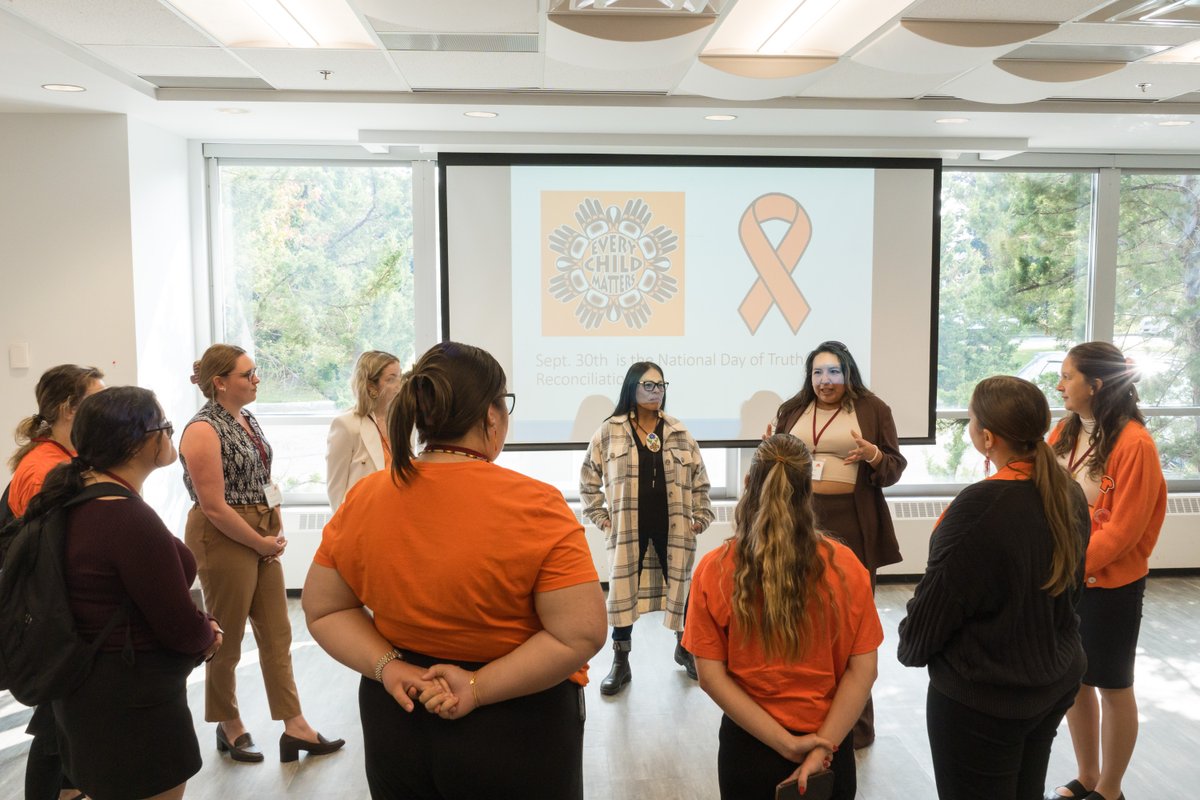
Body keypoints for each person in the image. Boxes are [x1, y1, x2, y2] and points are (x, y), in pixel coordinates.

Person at [303, 341, 606, 799]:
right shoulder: (537, 504)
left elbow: (324, 610)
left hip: (399, 716)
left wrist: (389, 667)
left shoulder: (366, 496)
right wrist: (477, 687)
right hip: (516, 720)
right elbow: (580, 634)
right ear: (490, 416)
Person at [897, 376, 1090, 799]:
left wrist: (909, 647)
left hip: (985, 699)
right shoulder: (1068, 493)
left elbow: (938, 604)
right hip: (1052, 681)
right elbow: (1071, 592)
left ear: (986, 437)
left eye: (969, 419)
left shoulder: (979, 508)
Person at [24, 387, 222, 800]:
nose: (170, 435)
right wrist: (211, 635)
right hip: (134, 703)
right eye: (165, 426)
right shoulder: (127, 518)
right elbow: (180, 627)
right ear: (141, 443)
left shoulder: (73, 498)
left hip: (86, 694)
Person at [683, 434, 881, 799]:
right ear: (808, 492)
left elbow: (710, 676)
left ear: (748, 484)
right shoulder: (846, 567)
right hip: (830, 747)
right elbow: (863, 670)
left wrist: (787, 744)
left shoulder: (714, 571)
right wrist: (823, 748)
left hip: (749, 749)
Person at [179, 344, 342, 764]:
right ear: (219, 382)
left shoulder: (247, 419)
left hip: (260, 529)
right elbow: (214, 506)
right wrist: (258, 541)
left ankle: (295, 725)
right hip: (223, 534)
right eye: (247, 374)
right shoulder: (201, 429)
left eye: (255, 372)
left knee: (277, 633)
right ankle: (228, 724)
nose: (256, 380)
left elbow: (264, 477)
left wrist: (276, 522)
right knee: (227, 637)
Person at [768, 340, 904, 747]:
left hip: (853, 526)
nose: (825, 381)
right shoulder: (791, 410)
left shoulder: (873, 409)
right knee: (800, 618)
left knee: (851, 627)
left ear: (848, 373)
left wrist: (875, 455)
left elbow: (894, 468)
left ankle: (855, 725)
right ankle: (801, 715)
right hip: (797, 523)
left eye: (833, 372)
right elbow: (776, 464)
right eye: (817, 373)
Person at [1046, 342, 1166, 800]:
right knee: (1075, 681)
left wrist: (1067, 567)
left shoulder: (1135, 444)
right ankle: (1087, 776)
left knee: (1113, 684)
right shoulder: (1063, 431)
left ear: (1095, 385)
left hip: (1107, 584)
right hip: (1067, 577)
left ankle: (1110, 790)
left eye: (1067, 377)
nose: (1059, 386)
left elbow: (1123, 532)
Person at [580, 361, 713, 695]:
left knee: (682, 590)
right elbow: (587, 480)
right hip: (629, 529)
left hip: (674, 527)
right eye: (648, 385)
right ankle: (621, 663)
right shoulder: (609, 431)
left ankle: (685, 649)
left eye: (661, 385)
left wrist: (701, 515)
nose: (657, 392)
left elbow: (700, 481)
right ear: (631, 388)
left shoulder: (679, 432)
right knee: (622, 596)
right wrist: (601, 517)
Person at [6, 363, 104, 800]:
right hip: (52, 618)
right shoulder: (42, 468)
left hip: (62, 612)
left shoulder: (63, 458)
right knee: (56, 725)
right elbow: (51, 553)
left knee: (63, 725)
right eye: (96, 399)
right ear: (69, 408)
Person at [7, 364, 105, 516]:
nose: (107, 409)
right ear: (69, 409)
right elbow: (48, 538)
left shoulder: (75, 453)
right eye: (98, 402)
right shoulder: (41, 475)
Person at [326, 350, 401, 510]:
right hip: (361, 517)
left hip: (398, 513)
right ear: (371, 386)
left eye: (399, 377)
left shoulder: (402, 422)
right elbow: (336, 489)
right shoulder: (346, 424)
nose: (399, 385)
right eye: (391, 379)